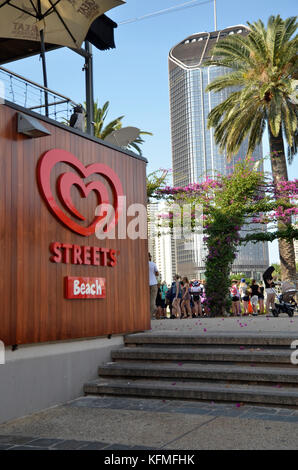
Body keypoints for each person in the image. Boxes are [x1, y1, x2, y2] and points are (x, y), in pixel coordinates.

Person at [148, 253, 159, 319]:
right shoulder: (153, 264)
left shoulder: (141, 264)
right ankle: (153, 312)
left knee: (148, 300)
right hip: (153, 283)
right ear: (149, 257)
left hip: (146, 284)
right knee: (152, 299)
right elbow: (157, 273)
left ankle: (150, 315)